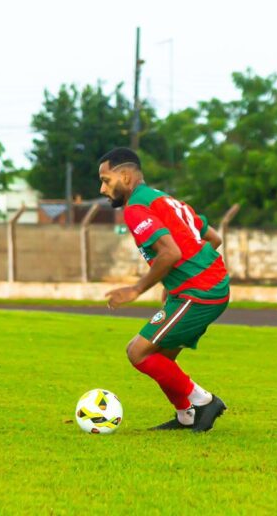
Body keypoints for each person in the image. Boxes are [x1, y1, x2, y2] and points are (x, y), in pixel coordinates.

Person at [99, 147, 228, 433]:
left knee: (138, 352)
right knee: (161, 358)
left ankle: (203, 401)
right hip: (204, 288)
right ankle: (186, 416)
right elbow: (214, 239)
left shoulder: (136, 208)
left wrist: (136, 289)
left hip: (200, 293)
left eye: (106, 181)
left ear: (126, 176)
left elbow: (169, 253)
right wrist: (177, 284)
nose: (103, 189)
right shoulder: (164, 199)